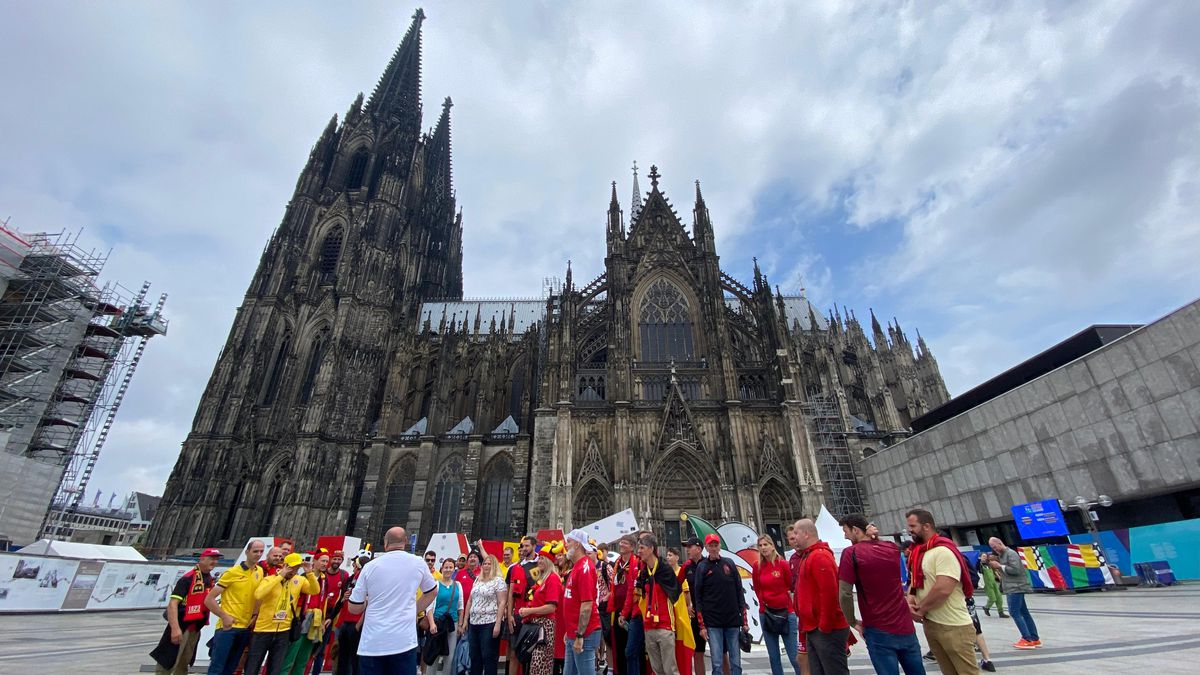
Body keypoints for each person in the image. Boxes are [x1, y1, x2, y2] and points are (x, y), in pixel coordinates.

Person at [837, 514, 924, 675]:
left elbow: (844, 593)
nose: (844, 535)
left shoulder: (851, 553)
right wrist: (874, 537)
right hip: (905, 626)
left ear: (855, 530)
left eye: (846, 531)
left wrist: (852, 621)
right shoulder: (891, 547)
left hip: (878, 628)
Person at [348, 527, 438, 675]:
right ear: (406, 541)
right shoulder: (418, 563)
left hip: (372, 643)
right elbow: (432, 592)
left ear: (385, 543)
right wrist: (412, 610)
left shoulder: (370, 566)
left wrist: (366, 602)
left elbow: (354, 608)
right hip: (403, 642)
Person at [905, 510, 978, 675]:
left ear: (926, 526)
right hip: (932, 623)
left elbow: (943, 588)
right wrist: (910, 602)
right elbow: (915, 581)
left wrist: (920, 609)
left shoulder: (944, 551)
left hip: (953, 625)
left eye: (912, 526)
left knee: (967, 672)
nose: (909, 530)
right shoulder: (919, 552)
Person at [245, 552, 322, 675]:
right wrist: (280, 576)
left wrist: (310, 573)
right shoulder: (270, 579)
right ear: (285, 565)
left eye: (297, 568)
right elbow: (259, 594)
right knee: (253, 666)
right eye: (291, 567)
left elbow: (315, 590)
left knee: (275, 668)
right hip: (263, 630)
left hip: (283, 630)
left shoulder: (300, 580)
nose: (294, 571)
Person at [791, 519, 849, 675]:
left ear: (806, 534)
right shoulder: (808, 556)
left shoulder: (819, 556)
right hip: (813, 627)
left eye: (796, 533)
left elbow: (830, 594)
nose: (793, 537)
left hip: (825, 629)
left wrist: (824, 626)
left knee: (834, 671)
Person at [151, 547, 220, 675]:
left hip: (194, 628)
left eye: (216, 559)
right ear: (202, 559)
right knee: (169, 661)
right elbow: (173, 604)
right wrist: (175, 628)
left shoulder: (208, 580)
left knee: (183, 663)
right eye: (211, 558)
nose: (214, 562)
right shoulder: (188, 578)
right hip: (182, 625)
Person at [206, 540, 265, 675]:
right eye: (255, 551)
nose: (258, 554)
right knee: (217, 667)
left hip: (245, 628)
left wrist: (255, 616)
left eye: (261, 551)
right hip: (228, 628)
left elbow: (257, 597)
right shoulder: (232, 572)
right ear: (247, 552)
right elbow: (209, 599)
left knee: (232, 667)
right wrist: (224, 616)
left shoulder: (259, 571)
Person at [692, 533, 748, 675]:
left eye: (715, 545)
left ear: (719, 546)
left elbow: (739, 592)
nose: (713, 548)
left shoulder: (729, 563)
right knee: (716, 663)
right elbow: (698, 597)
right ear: (706, 547)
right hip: (713, 622)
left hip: (732, 621)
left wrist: (744, 620)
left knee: (736, 662)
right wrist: (702, 625)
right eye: (710, 545)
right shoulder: (702, 567)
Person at [629, 535, 680, 675]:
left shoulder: (664, 569)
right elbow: (638, 597)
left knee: (670, 670)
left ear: (651, 549)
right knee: (657, 670)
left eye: (641, 548)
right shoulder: (644, 572)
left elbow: (677, 595)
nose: (638, 551)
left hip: (665, 625)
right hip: (649, 625)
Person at [753, 535, 802, 675]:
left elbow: (790, 586)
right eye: (760, 545)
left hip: (786, 613)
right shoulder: (757, 566)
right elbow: (757, 588)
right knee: (774, 657)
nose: (763, 548)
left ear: (772, 545)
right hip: (766, 614)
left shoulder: (783, 564)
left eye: (765, 544)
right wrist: (764, 604)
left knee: (794, 656)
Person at [282, 550, 333, 675]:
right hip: (301, 620)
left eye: (327, 561)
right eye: (323, 561)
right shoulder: (302, 578)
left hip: (315, 621)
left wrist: (322, 621)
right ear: (315, 561)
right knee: (289, 658)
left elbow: (323, 601)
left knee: (303, 659)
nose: (325, 564)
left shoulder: (324, 579)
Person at [519, 544, 565, 675]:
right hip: (538, 625)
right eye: (539, 558)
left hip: (545, 626)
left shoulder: (553, 579)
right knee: (535, 665)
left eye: (543, 559)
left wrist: (529, 611)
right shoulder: (543, 579)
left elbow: (552, 607)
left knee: (540, 664)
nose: (539, 561)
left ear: (549, 561)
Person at [562, 529, 602, 675]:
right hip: (574, 632)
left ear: (578, 544)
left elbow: (586, 605)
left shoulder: (584, 568)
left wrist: (579, 635)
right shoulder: (577, 567)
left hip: (585, 634)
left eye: (569, 541)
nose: (566, 545)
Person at [987, 537, 1039, 650]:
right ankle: (1034, 638)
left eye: (995, 547)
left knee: (1014, 612)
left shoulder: (1011, 554)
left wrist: (1000, 566)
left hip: (1015, 587)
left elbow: (1016, 570)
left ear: (1000, 543)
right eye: (992, 548)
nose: (994, 549)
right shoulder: (1002, 555)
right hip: (1013, 586)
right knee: (1024, 612)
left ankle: (1027, 638)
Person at [460, 553, 507, 675]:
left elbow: (502, 602)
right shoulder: (477, 579)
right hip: (474, 622)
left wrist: (498, 624)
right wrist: (465, 620)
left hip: (489, 622)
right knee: (475, 656)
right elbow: (470, 600)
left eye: (489, 564)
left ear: (494, 566)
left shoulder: (498, 581)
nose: (486, 566)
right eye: (484, 563)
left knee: (488, 656)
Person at [331, 547, 374, 675]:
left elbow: (369, 601)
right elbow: (343, 598)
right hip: (346, 621)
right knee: (343, 657)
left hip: (356, 623)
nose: (354, 566)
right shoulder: (352, 578)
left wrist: (359, 624)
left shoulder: (365, 577)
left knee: (355, 659)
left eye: (356, 563)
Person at [310, 550, 353, 675]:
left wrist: (332, 617)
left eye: (339, 560)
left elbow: (342, 599)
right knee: (308, 647)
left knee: (321, 649)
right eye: (334, 559)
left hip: (329, 616)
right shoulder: (322, 575)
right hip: (315, 613)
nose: (336, 562)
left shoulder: (343, 576)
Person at [509, 536, 541, 675]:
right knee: (514, 653)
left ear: (534, 546)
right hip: (518, 615)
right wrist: (510, 614)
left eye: (527, 546)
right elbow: (511, 593)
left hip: (535, 615)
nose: (524, 549)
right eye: (523, 546)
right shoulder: (516, 567)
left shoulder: (541, 564)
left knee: (534, 654)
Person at [676, 538, 708, 675]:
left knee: (722, 652)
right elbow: (676, 586)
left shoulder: (709, 564)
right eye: (686, 547)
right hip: (696, 614)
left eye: (690, 547)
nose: (687, 550)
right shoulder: (686, 566)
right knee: (698, 652)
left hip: (712, 612)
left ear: (699, 548)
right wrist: (686, 606)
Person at [428, 559, 465, 675]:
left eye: (450, 567)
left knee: (449, 656)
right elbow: (429, 606)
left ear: (454, 569)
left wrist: (460, 624)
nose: (448, 570)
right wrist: (432, 624)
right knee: (433, 654)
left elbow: (461, 606)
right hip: (437, 623)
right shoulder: (436, 584)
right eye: (446, 567)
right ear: (442, 569)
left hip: (452, 625)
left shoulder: (458, 585)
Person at [609, 536, 640, 675]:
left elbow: (632, 590)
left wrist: (626, 612)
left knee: (631, 649)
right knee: (619, 647)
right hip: (617, 610)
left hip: (632, 611)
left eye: (624, 543)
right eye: (620, 542)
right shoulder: (617, 563)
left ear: (632, 547)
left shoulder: (637, 563)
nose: (621, 544)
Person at [785, 526, 812, 675]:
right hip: (801, 616)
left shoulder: (817, 555)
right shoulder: (793, 559)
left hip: (818, 620)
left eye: (795, 537)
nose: (794, 541)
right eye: (790, 538)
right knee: (802, 657)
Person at [976, 554, 1006, 619]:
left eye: (986, 556)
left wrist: (998, 576)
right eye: (983, 556)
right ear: (980, 557)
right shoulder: (979, 565)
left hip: (994, 583)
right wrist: (979, 560)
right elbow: (977, 568)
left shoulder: (988, 564)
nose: (985, 558)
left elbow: (994, 571)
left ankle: (1001, 613)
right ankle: (986, 607)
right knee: (992, 598)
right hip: (987, 584)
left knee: (999, 597)